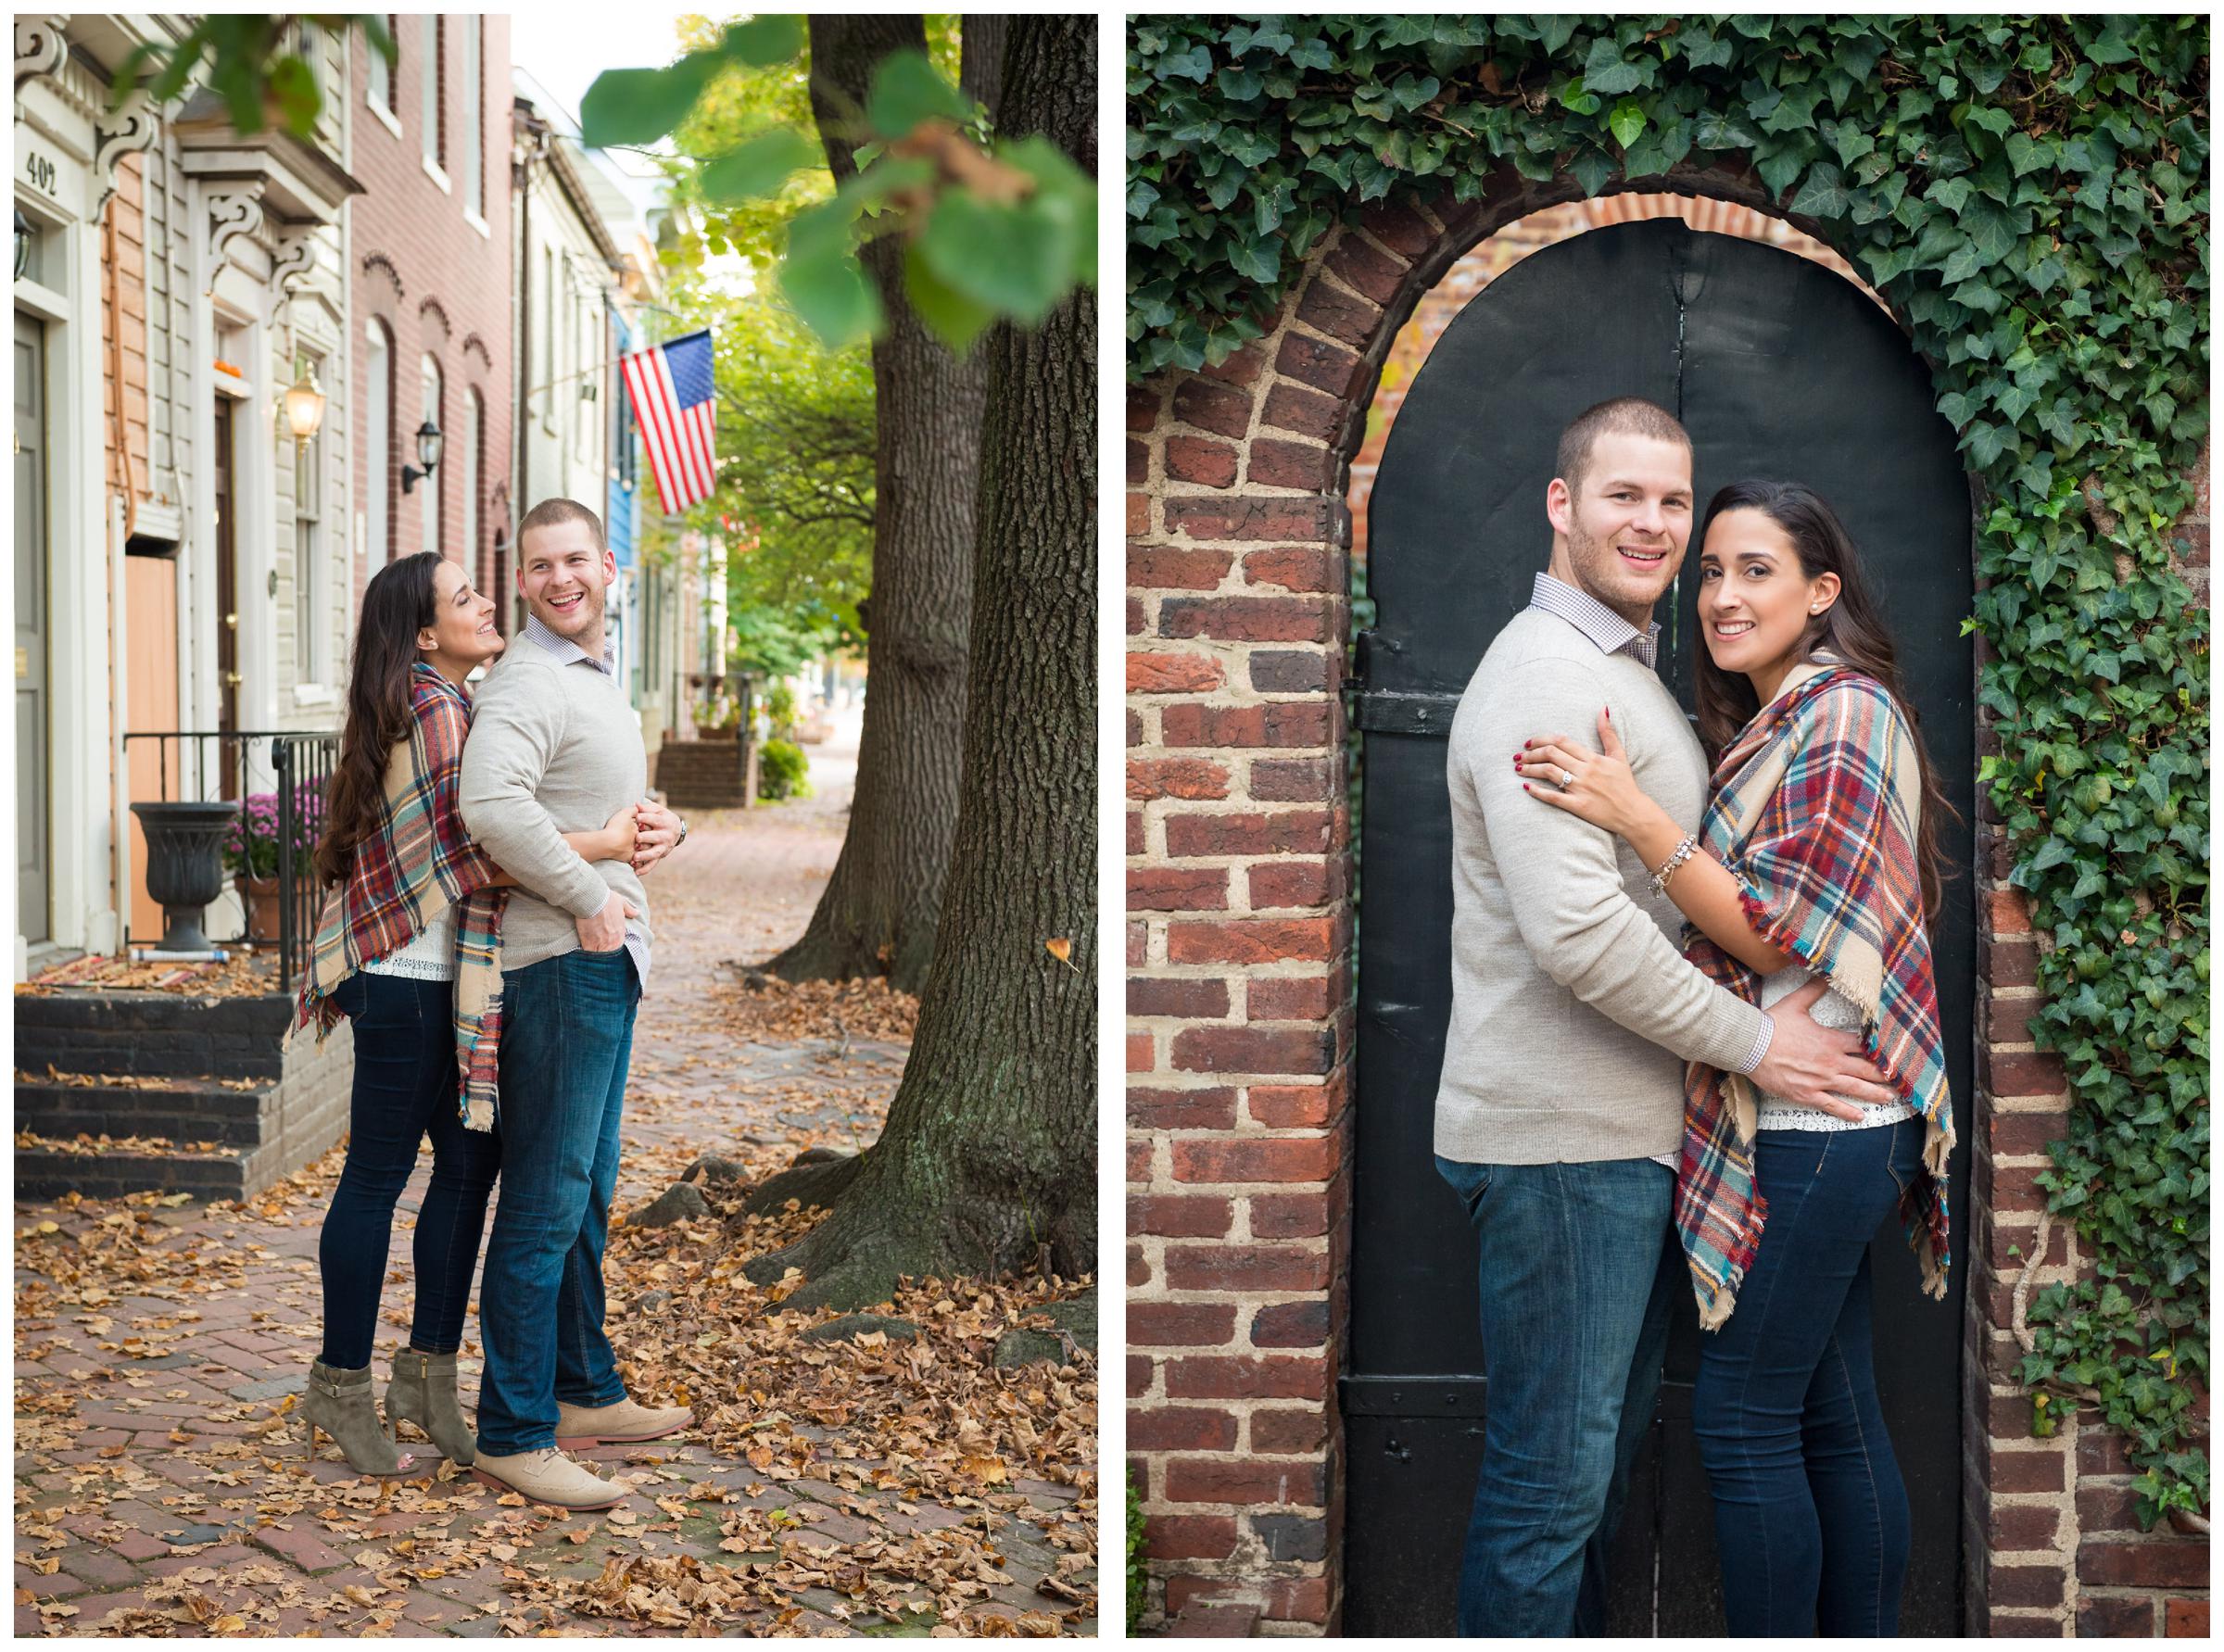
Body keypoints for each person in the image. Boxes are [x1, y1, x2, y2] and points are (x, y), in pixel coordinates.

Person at [1434, 398, 1901, 1637]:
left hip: (1618, 1144)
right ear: (1559, 504)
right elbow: (1580, 933)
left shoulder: (1623, 675)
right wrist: (1757, 1042)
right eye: (1622, 495)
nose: (1651, 523)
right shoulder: (1546, 674)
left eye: (1671, 502)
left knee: (1586, 1487)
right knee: (1549, 1493)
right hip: (1563, 1146)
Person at [1513, 477, 1956, 1636]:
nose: (1719, 593)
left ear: (1822, 592)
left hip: (1822, 1124)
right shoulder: (1782, 719)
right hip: (1821, 1123)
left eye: (1755, 570)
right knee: (1834, 1415)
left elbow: (1772, 928)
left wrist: (1635, 815)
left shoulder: (1842, 711)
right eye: (1711, 570)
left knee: (1745, 1421)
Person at [292, 551, 639, 1476]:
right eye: (466, 597)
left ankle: (428, 1374)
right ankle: (338, 1382)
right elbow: (478, 847)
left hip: (447, 976)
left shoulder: (444, 701)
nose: (489, 604)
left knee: (471, 1163)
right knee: (378, 1175)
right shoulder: (436, 706)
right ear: (422, 630)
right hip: (404, 973)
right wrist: (606, 842)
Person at [459, 498, 689, 1511]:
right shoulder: (529, 679)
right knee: (547, 1200)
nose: (561, 579)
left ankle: (581, 1388)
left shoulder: (594, 676)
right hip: (557, 963)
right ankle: (513, 1430)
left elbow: (582, 806)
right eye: (541, 565)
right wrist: (592, 894)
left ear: (608, 565)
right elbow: (491, 806)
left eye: (576, 561)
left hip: (608, 963)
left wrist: (654, 830)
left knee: (587, 1192)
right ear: (523, 580)